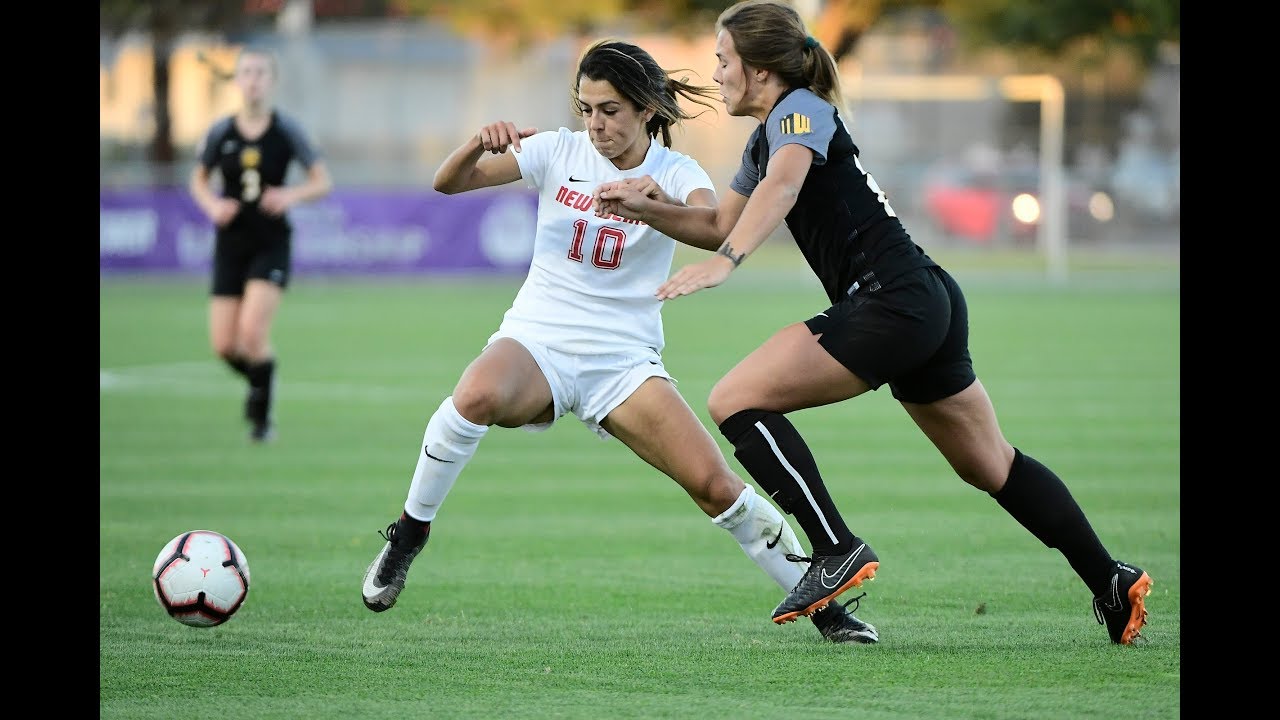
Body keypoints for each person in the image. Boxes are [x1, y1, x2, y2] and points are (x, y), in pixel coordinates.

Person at [592, 0, 1153, 645]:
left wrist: (727, 262)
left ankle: (836, 549)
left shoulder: (799, 110)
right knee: (989, 465)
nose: (716, 73)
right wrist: (647, 207)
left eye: (723, 60)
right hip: (922, 299)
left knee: (735, 399)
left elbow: (781, 189)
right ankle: (1110, 578)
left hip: (891, 299)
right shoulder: (766, 135)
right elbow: (720, 222)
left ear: (761, 69)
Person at [360, 38, 877, 645]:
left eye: (609, 110)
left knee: (717, 487)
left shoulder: (676, 172)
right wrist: (478, 141)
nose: (595, 124)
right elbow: (448, 183)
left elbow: (714, 225)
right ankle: (410, 532)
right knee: (473, 396)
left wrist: (653, 205)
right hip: (539, 339)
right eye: (586, 108)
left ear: (646, 109)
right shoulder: (558, 150)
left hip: (624, 362)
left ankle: (827, 610)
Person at [189, 46, 333, 443]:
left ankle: (262, 419)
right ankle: (262, 378)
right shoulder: (221, 131)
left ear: (272, 81)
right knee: (224, 345)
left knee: (252, 333)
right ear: (237, 80)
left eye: (260, 73)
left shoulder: (286, 129)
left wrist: (289, 195)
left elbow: (323, 181)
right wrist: (212, 205)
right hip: (231, 243)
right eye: (247, 73)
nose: (253, 80)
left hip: (271, 242)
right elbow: (198, 179)